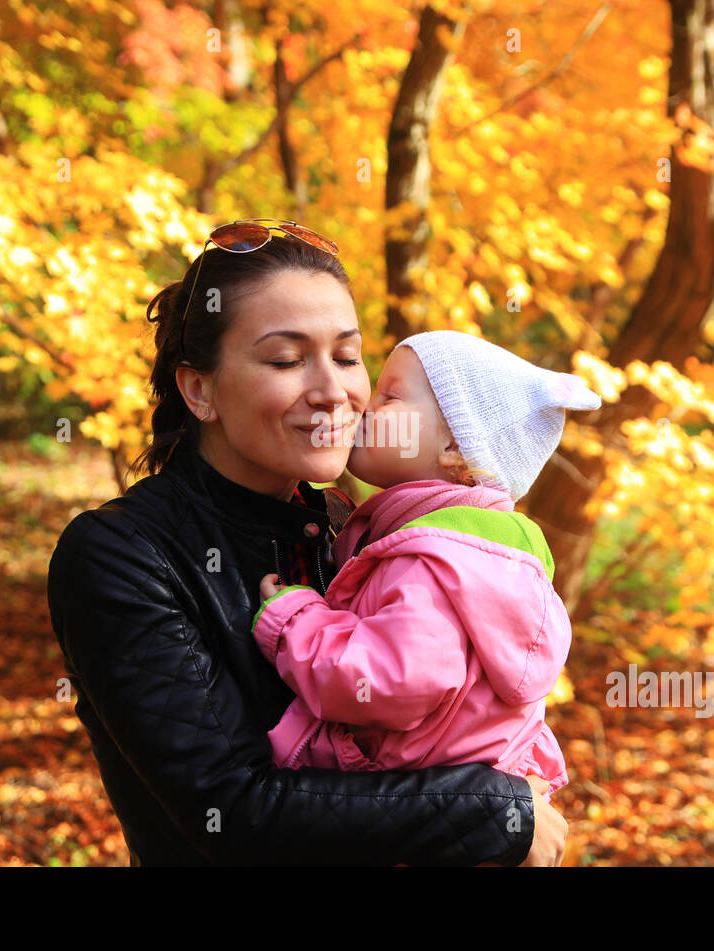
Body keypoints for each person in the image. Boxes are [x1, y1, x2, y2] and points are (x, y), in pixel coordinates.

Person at [47, 219, 568, 865]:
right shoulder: (125, 555)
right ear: (200, 390)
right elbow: (229, 810)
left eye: (348, 358)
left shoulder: (360, 531)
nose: (334, 393)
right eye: (287, 360)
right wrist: (496, 812)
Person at [251, 330, 600, 798]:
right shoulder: (474, 549)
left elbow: (390, 682)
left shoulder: (435, 560)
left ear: (455, 448)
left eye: (391, 396)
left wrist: (295, 621)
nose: (363, 407)